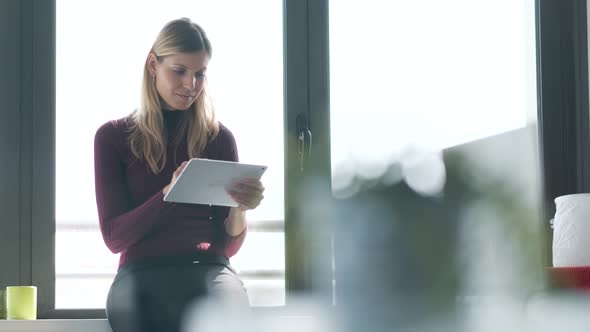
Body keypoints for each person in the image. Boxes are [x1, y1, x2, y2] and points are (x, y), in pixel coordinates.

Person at [93, 18, 265, 332]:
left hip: (210, 270)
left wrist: (239, 207)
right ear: (152, 66)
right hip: (141, 273)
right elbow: (115, 238)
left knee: (229, 315)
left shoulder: (219, 139)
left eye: (200, 74)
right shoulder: (113, 137)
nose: (191, 84)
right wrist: (169, 194)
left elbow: (226, 247)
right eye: (180, 71)